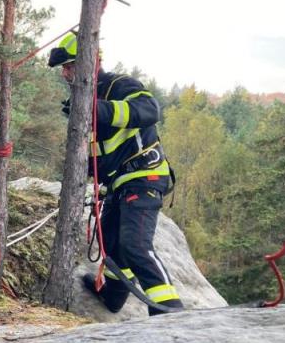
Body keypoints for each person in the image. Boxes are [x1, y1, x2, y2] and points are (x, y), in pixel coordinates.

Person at [50, 31, 185, 315]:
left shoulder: (120, 85)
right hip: (119, 184)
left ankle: (170, 309)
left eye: (69, 66)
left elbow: (149, 110)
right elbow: (97, 154)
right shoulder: (81, 104)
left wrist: (98, 110)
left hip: (144, 176)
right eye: (64, 68)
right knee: (112, 244)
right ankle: (112, 295)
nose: (65, 74)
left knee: (134, 245)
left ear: (91, 63)